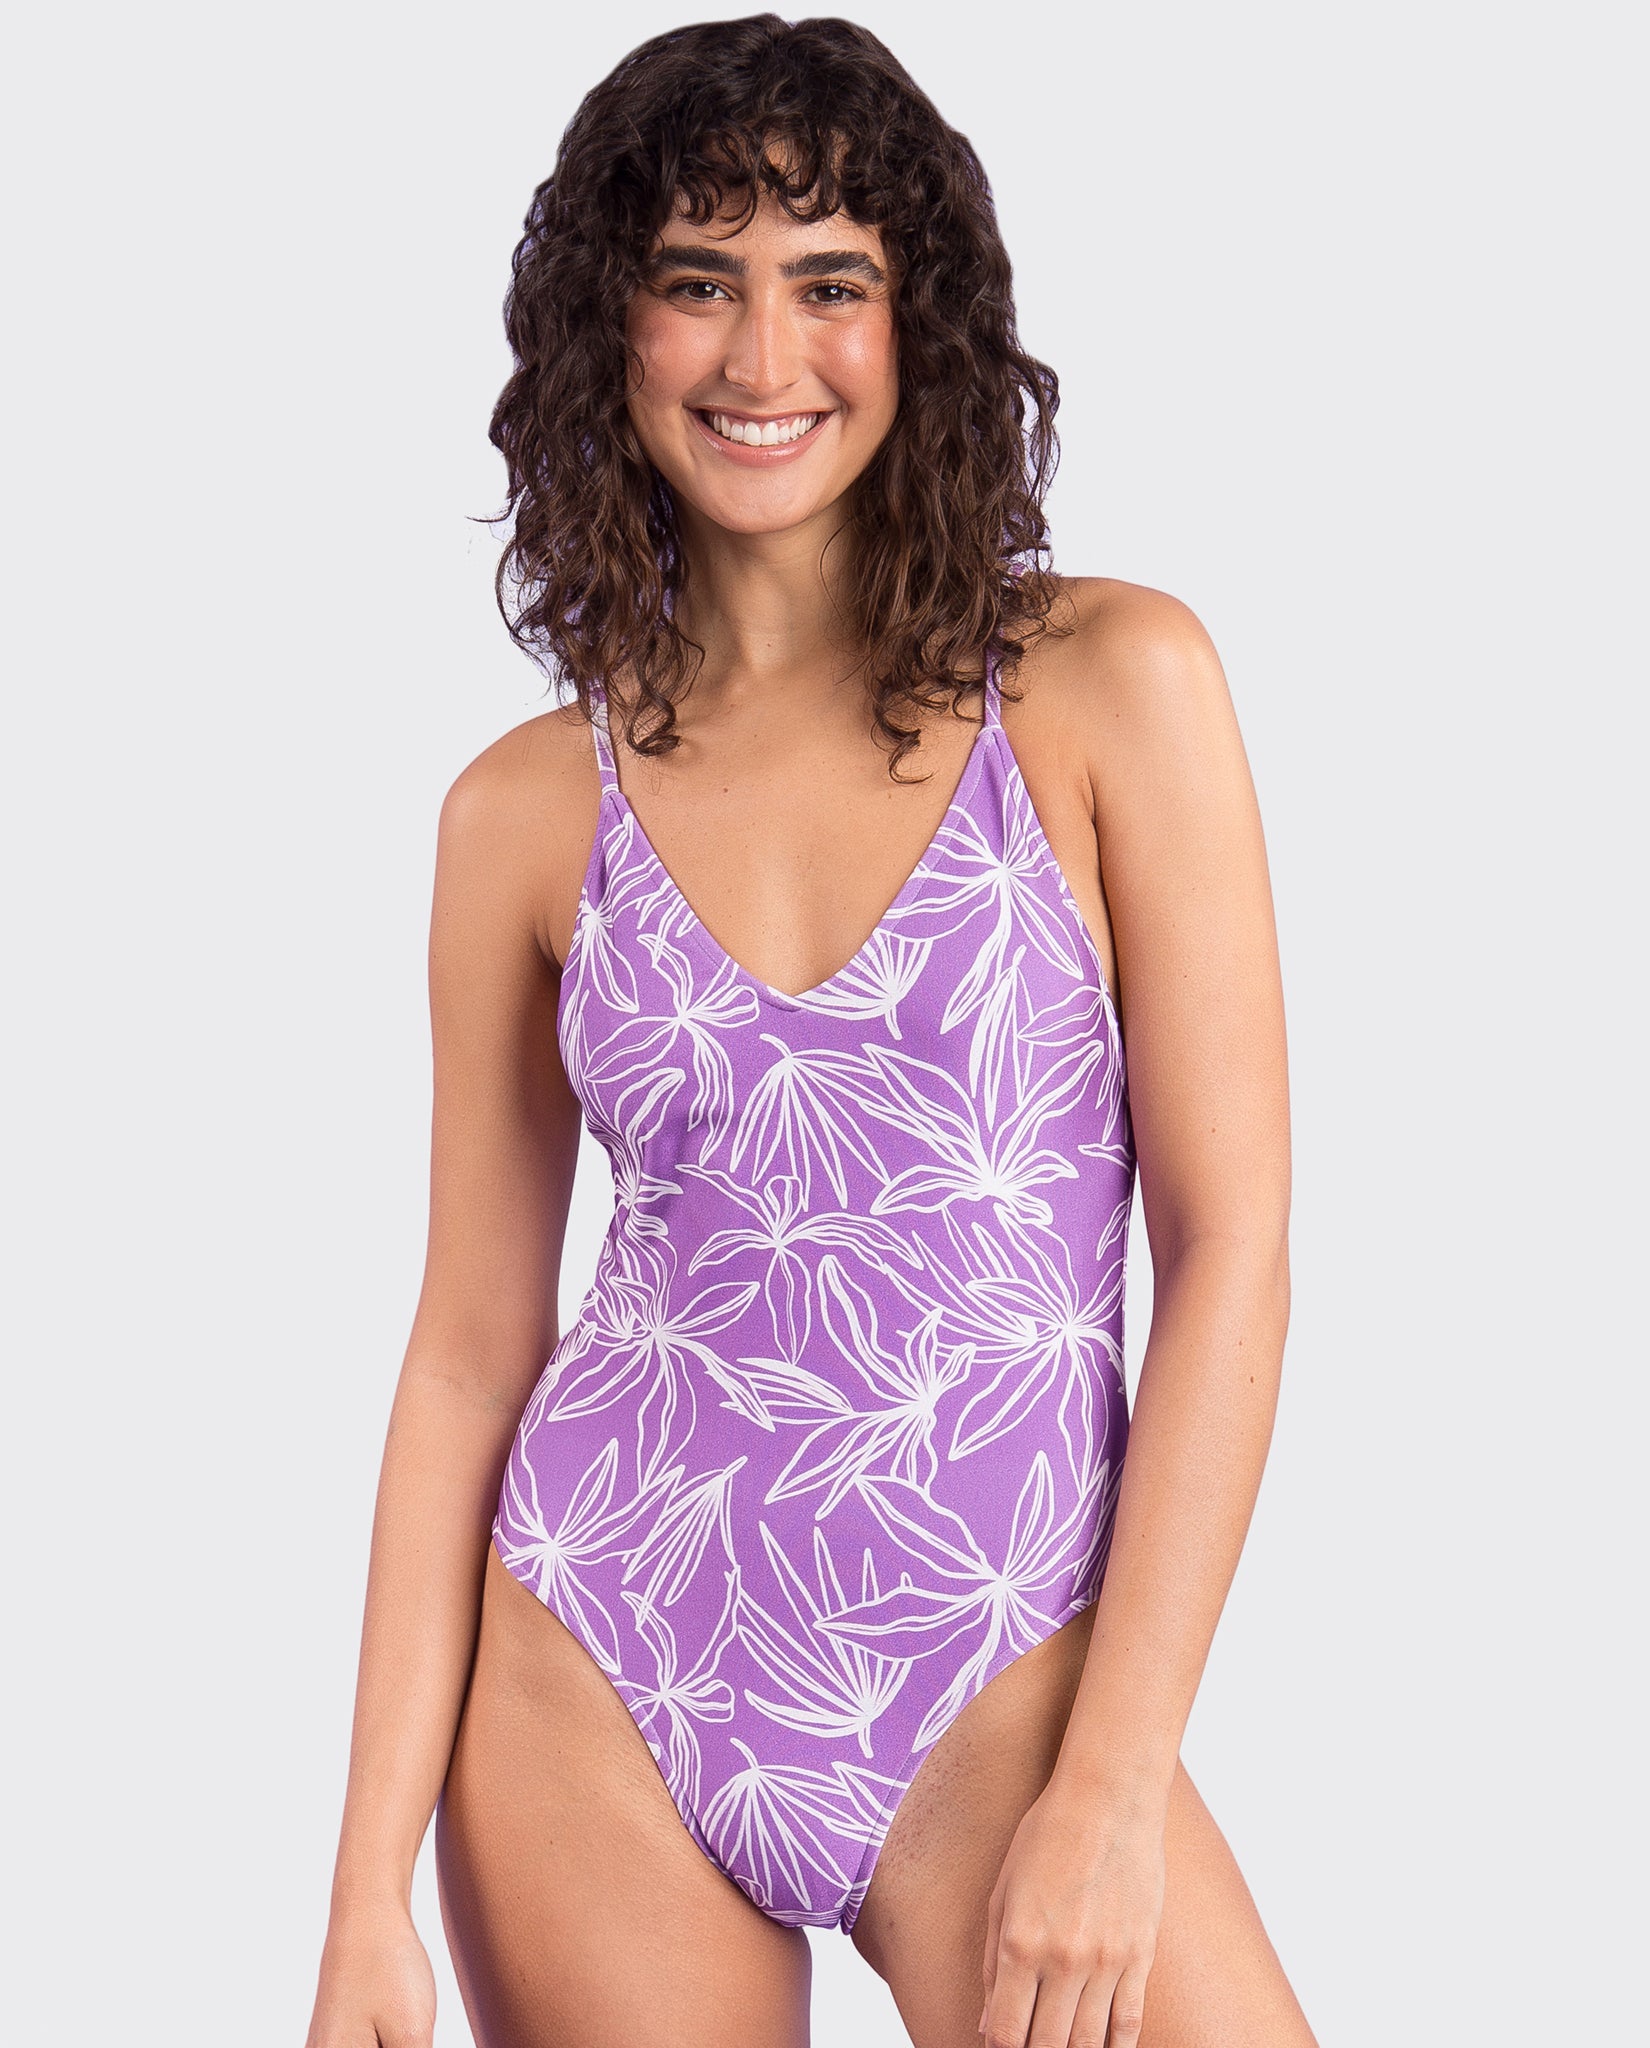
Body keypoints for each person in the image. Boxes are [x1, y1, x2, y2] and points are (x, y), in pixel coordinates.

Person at [303, 15, 1313, 2048]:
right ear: (606, 331)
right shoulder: (520, 816)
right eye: (698, 281)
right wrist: (359, 1900)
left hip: (996, 1674)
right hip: (600, 1654)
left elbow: (1234, 1252)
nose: (764, 356)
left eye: (829, 282)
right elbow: (469, 1354)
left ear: (917, 321)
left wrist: (1114, 1783)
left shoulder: (1105, 688)